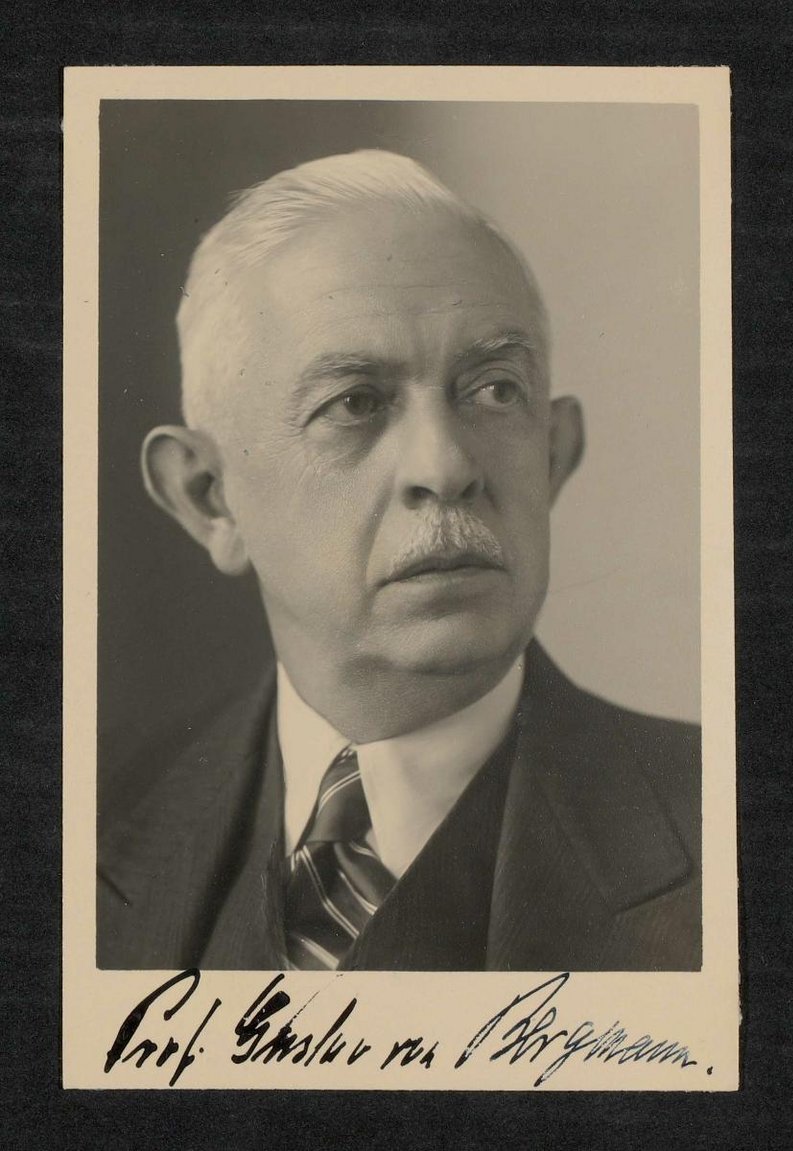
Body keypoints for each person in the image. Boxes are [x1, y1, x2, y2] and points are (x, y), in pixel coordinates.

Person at [97, 150, 700, 972]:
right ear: (209, 497)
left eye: (495, 390)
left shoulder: (732, 829)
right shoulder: (81, 832)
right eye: (355, 403)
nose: (445, 467)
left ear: (552, 455)